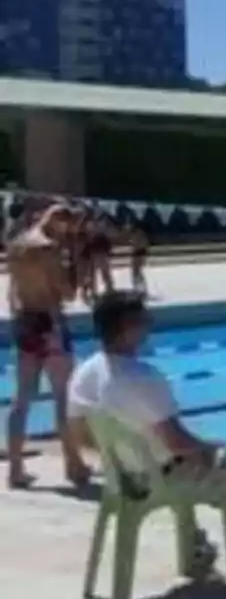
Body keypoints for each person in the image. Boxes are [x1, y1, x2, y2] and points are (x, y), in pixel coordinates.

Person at [66, 291, 226, 586]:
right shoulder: (143, 377)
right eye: (145, 319)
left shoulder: (84, 372)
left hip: (127, 477)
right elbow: (178, 443)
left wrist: (127, 455)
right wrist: (210, 447)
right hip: (172, 474)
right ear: (129, 327)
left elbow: (79, 437)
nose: (150, 325)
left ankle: (196, 550)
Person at [6, 205, 90, 489]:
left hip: (24, 323)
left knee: (22, 400)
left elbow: (13, 292)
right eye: (68, 226)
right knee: (63, 397)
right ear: (58, 221)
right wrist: (76, 259)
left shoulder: (16, 245)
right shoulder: (48, 249)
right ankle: (73, 464)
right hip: (51, 324)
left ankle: (16, 468)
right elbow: (66, 292)